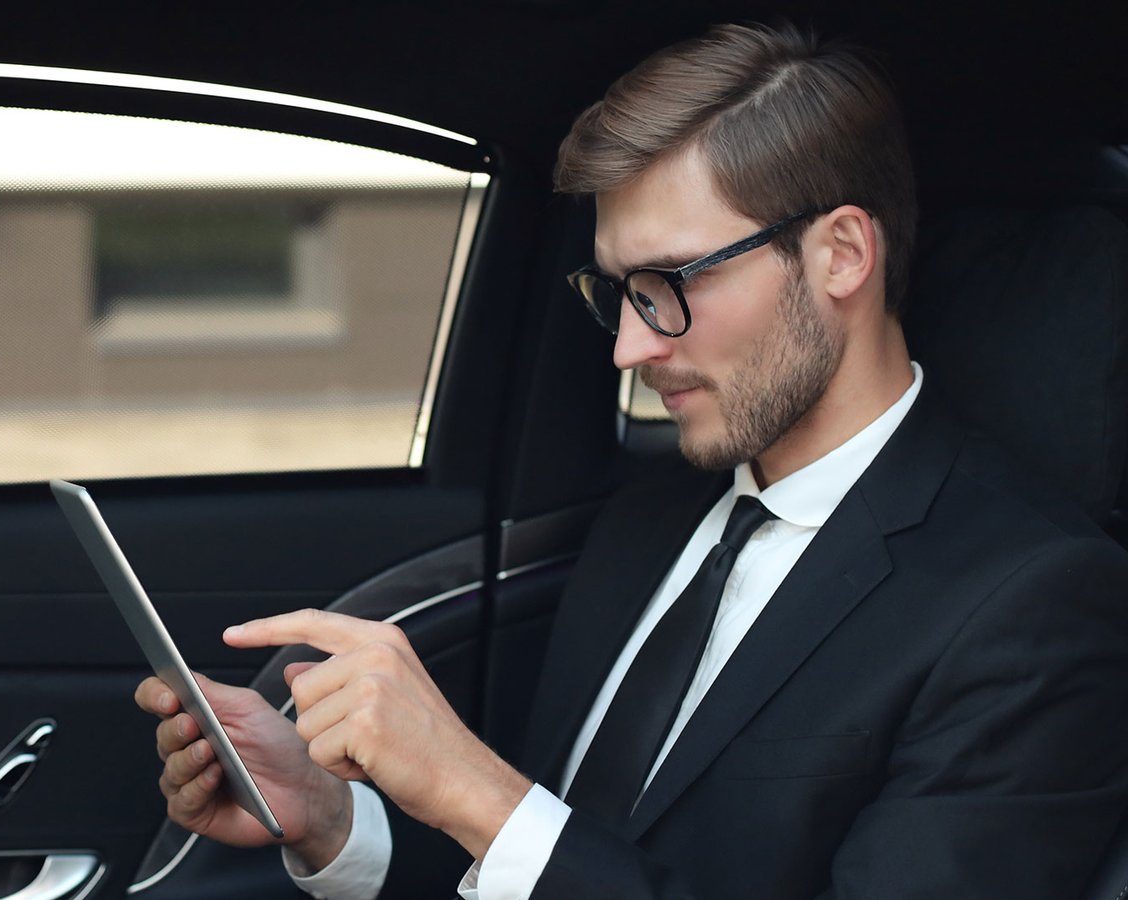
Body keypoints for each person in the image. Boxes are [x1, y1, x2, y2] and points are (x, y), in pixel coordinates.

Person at [135, 22, 1128, 899]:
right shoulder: (647, 525)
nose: (628, 348)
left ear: (839, 255)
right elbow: (544, 865)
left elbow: (524, 836)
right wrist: (332, 818)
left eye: (670, 282)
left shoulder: (1031, 604)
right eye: (617, 290)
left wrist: (477, 791)